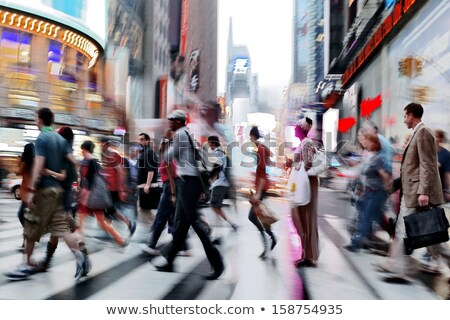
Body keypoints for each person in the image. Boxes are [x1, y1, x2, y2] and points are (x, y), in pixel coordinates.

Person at [5, 108, 90, 280]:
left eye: (36, 119)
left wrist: (30, 190)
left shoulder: (42, 138)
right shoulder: (61, 139)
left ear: (41, 119)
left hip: (44, 191)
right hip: (58, 192)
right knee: (62, 228)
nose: (36, 122)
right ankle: (80, 257)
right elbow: (74, 162)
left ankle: (26, 264)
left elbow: (39, 164)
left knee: (31, 225)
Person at [377, 103, 448, 283]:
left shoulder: (423, 133)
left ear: (412, 115)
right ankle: (398, 268)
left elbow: (428, 165)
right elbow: (412, 168)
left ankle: (399, 271)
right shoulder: (418, 133)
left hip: (417, 194)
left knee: (412, 231)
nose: (404, 120)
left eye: (405, 116)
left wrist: (423, 192)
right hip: (411, 193)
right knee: (429, 235)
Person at [154, 109, 224, 280]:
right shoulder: (188, 133)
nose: (169, 122)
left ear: (178, 121)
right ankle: (170, 261)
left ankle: (218, 263)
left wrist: (165, 139)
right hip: (188, 182)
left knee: (194, 223)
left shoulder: (179, 134)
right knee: (180, 224)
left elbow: (167, 157)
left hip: (187, 183)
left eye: (171, 119)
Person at [344, 133, 391, 251]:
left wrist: (387, 189)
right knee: (374, 218)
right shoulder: (369, 156)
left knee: (366, 218)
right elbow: (362, 172)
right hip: (368, 192)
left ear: (375, 143)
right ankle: (393, 234)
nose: (365, 143)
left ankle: (355, 244)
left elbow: (384, 175)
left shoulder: (377, 158)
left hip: (375, 193)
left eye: (368, 141)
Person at [77, 140, 129, 247]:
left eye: (82, 150)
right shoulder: (96, 162)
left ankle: (79, 242)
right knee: (101, 222)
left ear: (84, 149)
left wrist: (82, 195)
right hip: (98, 197)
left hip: (88, 197)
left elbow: (86, 181)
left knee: (80, 219)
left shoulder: (87, 162)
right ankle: (120, 240)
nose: (82, 152)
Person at [291, 117, 319, 267]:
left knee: (305, 217)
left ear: (302, 129)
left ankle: (307, 255)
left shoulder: (307, 143)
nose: (294, 129)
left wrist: (294, 165)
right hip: (303, 182)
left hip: (306, 183)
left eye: (296, 126)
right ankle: (306, 253)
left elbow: (307, 164)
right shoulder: (303, 143)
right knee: (300, 216)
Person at [248, 126, 277, 260]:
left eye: (250, 137)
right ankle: (270, 238)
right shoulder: (263, 148)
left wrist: (258, 193)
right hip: (263, 187)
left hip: (262, 188)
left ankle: (268, 240)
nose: (250, 139)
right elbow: (270, 163)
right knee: (259, 216)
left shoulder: (260, 149)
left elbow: (261, 172)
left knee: (253, 217)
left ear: (253, 136)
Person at [207, 135, 238, 240]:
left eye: (210, 143)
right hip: (219, 184)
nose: (209, 145)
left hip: (219, 183)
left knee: (214, 206)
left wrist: (210, 179)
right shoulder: (219, 153)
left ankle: (218, 231)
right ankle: (227, 226)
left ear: (214, 143)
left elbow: (217, 167)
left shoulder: (218, 153)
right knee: (216, 207)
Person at [137, 133, 160, 223]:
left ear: (148, 141)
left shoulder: (149, 152)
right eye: (139, 140)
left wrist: (147, 185)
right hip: (142, 185)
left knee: (144, 210)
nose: (140, 141)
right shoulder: (144, 152)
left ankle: (158, 225)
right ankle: (157, 225)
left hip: (146, 186)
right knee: (144, 210)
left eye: (142, 139)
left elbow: (151, 170)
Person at [435, 129, 450, 203]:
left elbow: (447, 174)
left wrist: (447, 190)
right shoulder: (428, 153)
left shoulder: (446, 154)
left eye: (437, 137)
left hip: (440, 190)